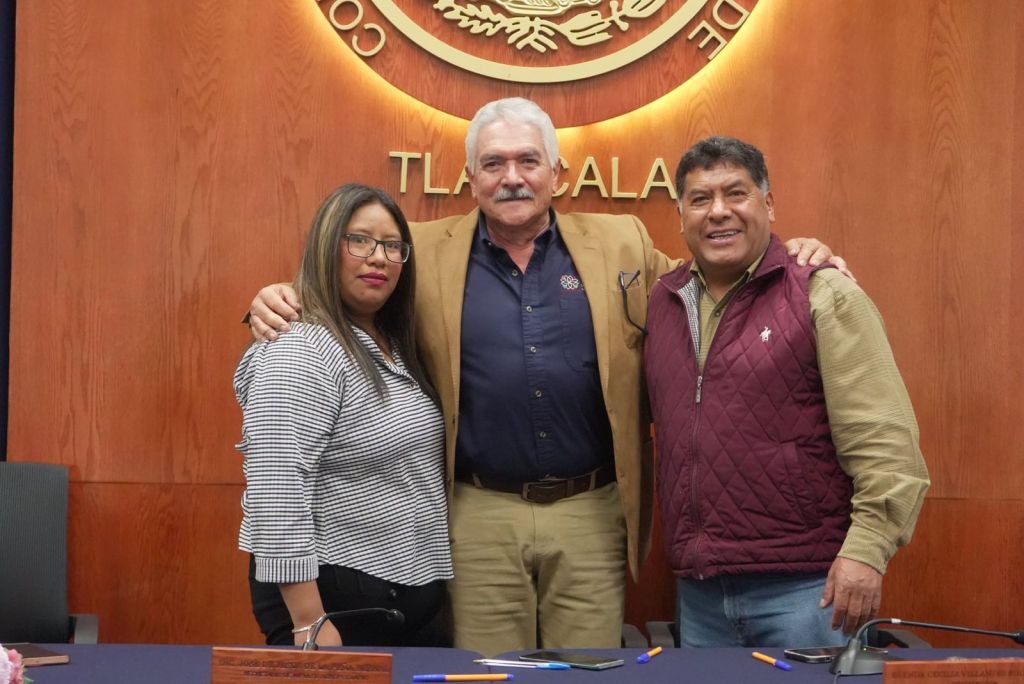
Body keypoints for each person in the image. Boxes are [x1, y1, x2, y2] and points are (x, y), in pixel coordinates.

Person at [246, 98, 841, 656]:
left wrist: (791, 257)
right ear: (471, 177)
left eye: (528, 161)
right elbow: (348, 285)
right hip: (476, 510)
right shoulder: (421, 250)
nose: (512, 177)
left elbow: (711, 282)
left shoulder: (623, 242)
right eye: (494, 164)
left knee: (587, 668)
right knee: (483, 670)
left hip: (590, 510)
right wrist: (277, 298)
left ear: (557, 172)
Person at [645, 136, 930, 648]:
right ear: (681, 216)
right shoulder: (664, 301)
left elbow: (885, 441)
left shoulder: (822, 291)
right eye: (700, 198)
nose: (719, 211)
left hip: (806, 590)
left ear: (769, 204)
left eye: (736, 193)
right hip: (700, 594)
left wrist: (867, 550)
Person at [235, 183, 453, 648]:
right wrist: (308, 622)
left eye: (392, 246)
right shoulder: (300, 347)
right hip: (330, 608)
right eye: (359, 240)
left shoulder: (393, 343)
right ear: (325, 246)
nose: (378, 258)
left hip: (400, 603)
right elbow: (276, 488)